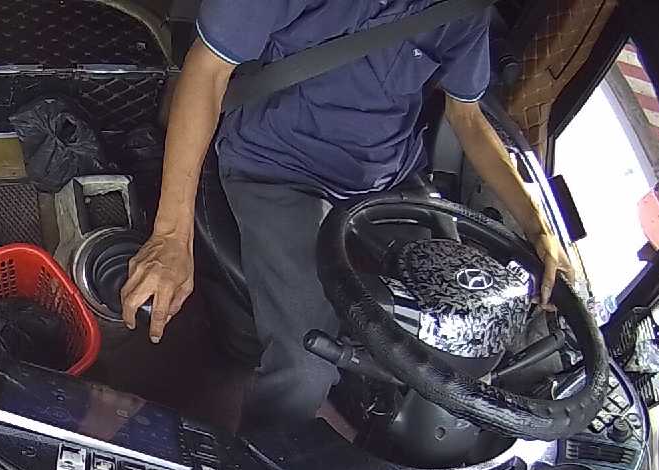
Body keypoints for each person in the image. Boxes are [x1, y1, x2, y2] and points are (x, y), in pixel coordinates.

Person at [119, 0, 573, 425]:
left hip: (388, 182)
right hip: (279, 169)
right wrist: (171, 237)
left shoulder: (464, 11)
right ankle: (256, 468)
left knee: (461, 335)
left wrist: (539, 228)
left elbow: (468, 118)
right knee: (306, 370)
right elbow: (207, 69)